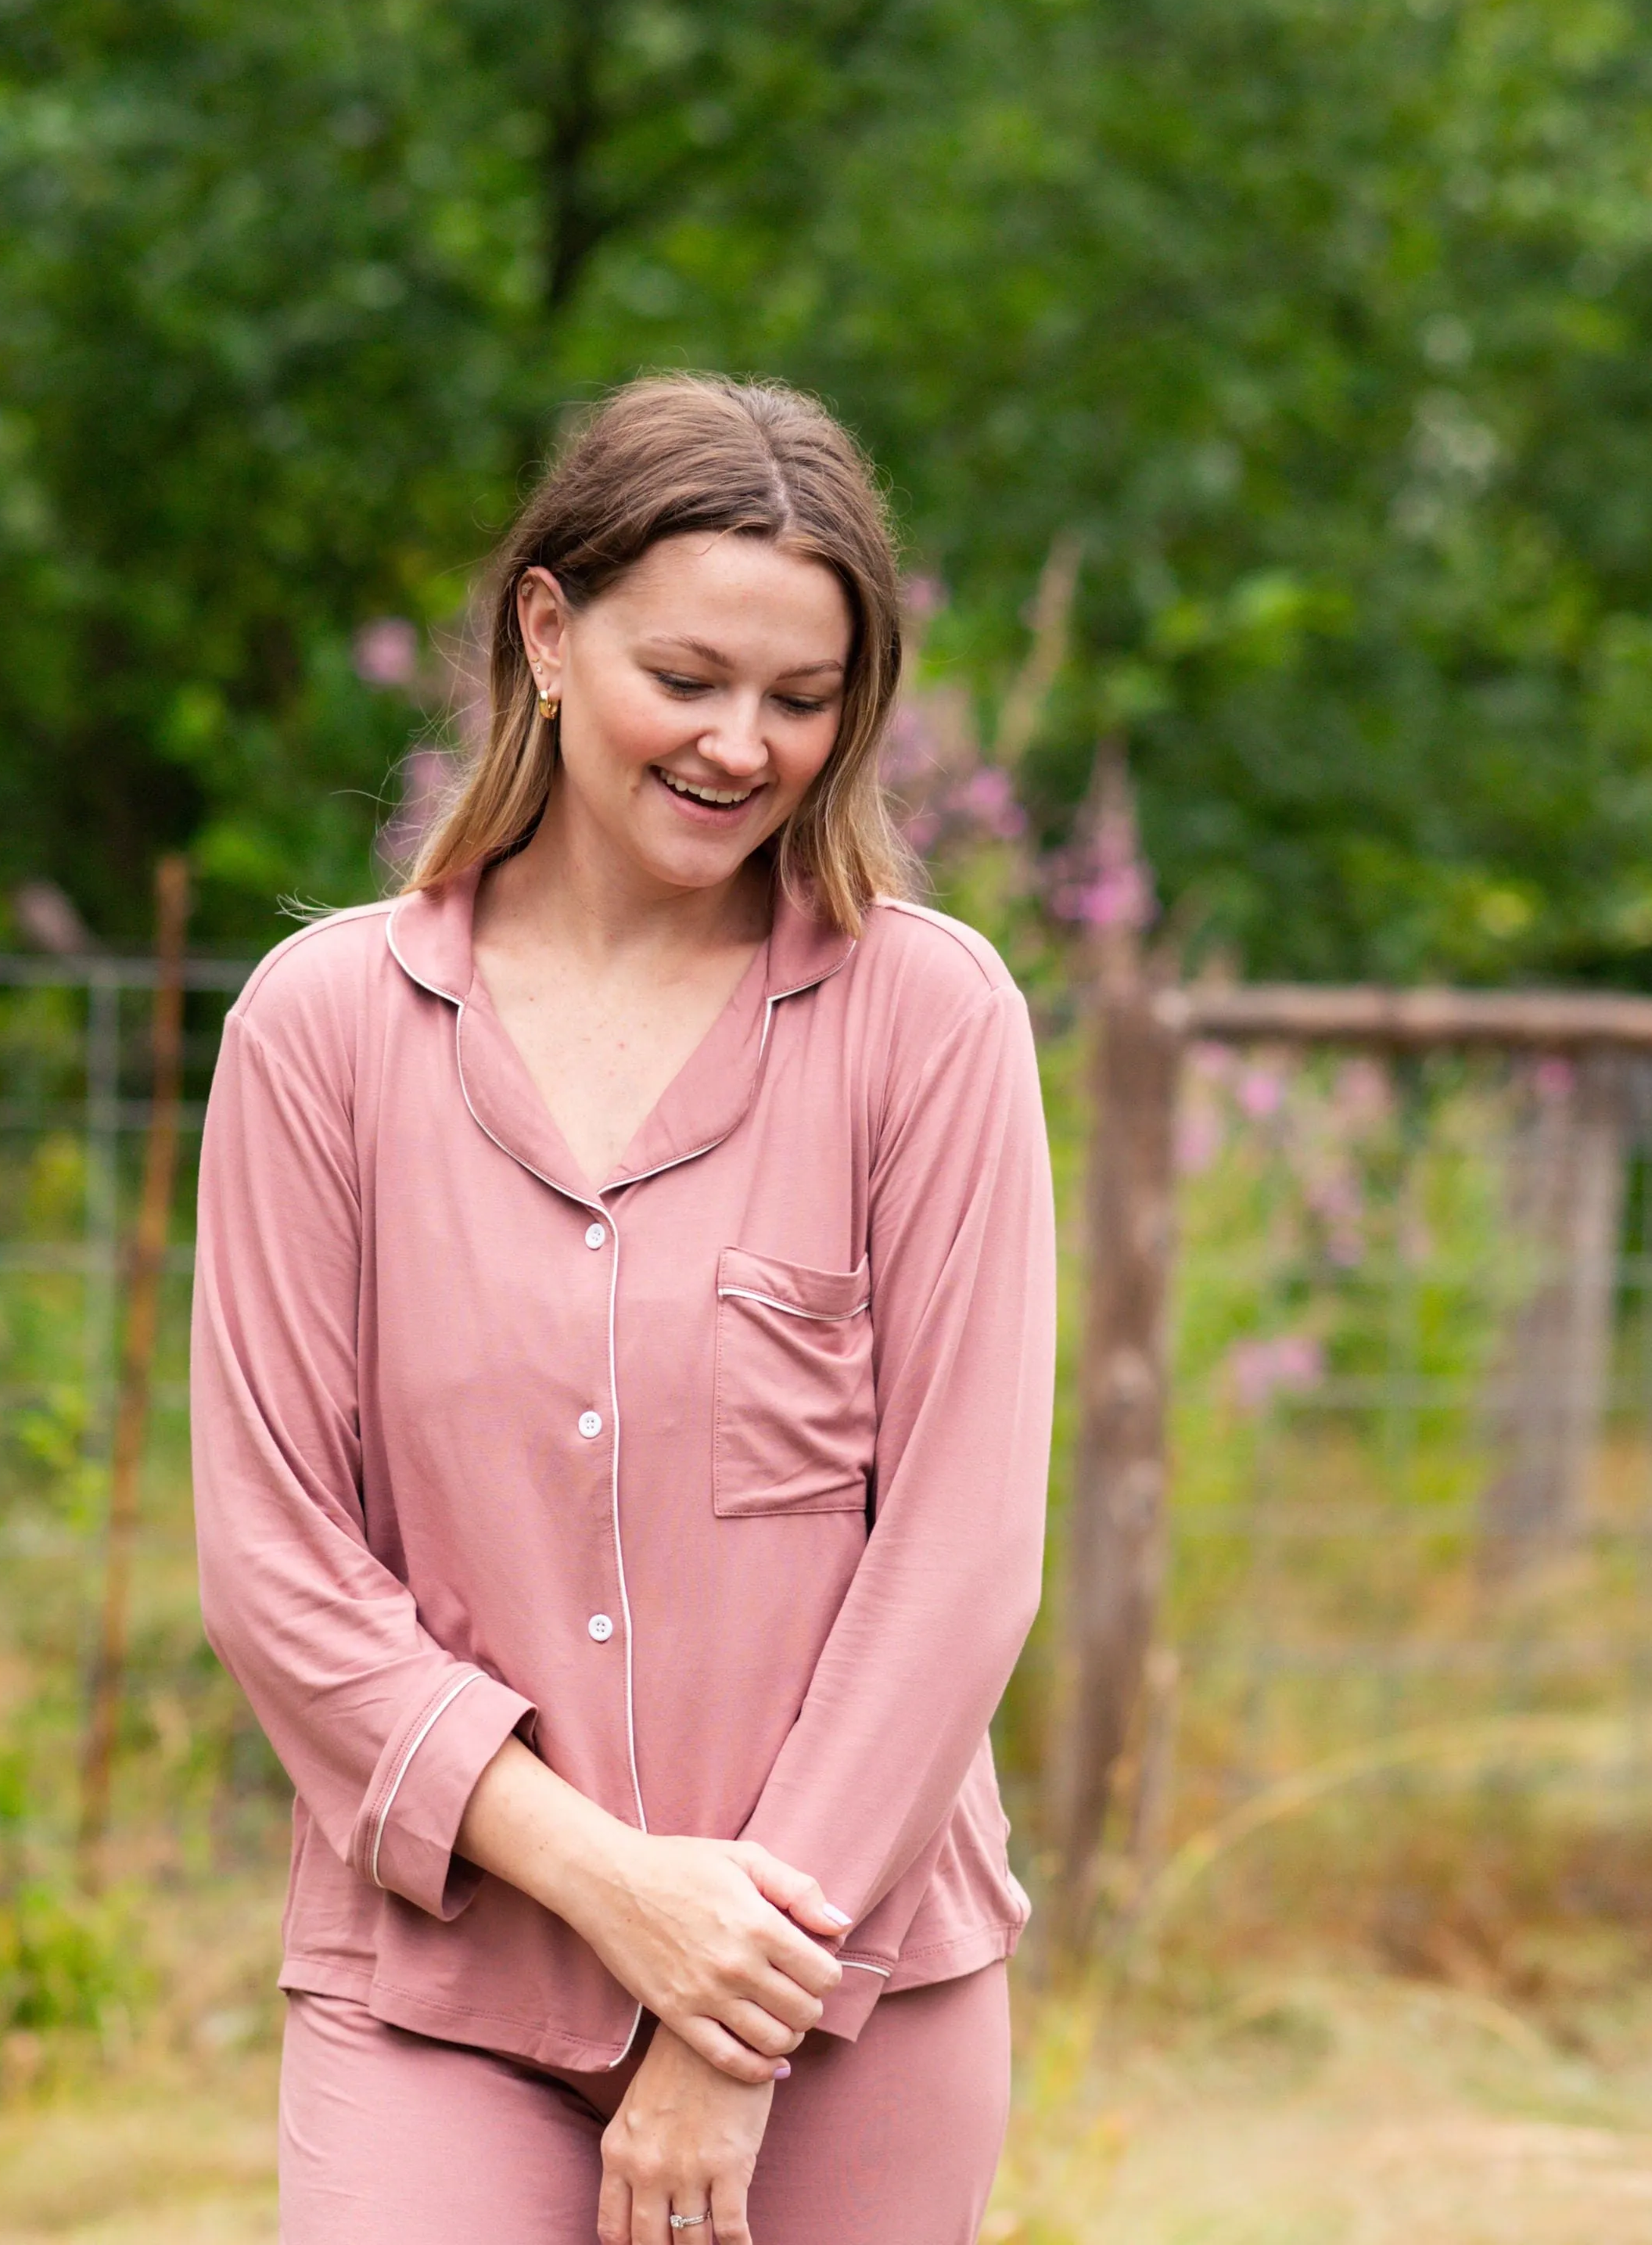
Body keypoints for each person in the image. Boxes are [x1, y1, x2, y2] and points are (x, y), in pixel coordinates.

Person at [190, 373, 1055, 2244]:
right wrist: (612, 1886)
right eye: (691, 678)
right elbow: (277, 1562)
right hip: (439, 1987)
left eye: (803, 700)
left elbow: (964, 1556)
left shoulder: (932, 1023)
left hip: (855, 1997)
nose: (743, 745)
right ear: (549, 632)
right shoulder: (323, 1035)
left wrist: (729, 2022)